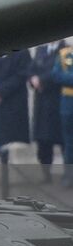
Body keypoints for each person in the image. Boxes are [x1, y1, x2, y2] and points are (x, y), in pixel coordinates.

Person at [0, 49, 32, 164]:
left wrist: (1, 91)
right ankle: (1, 170)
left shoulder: (22, 52)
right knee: (0, 140)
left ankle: (11, 170)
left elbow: (22, 75)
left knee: (13, 139)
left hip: (15, 104)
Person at [31, 41, 67, 183]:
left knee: (63, 141)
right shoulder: (41, 49)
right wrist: (33, 78)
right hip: (41, 103)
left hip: (57, 101)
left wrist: (41, 80)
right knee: (43, 142)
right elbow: (32, 68)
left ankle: (68, 175)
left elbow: (60, 72)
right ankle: (46, 174)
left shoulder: (65, 49)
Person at [50, 44, 73, 188]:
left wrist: (68, 78)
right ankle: (69, 176)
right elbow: (56, 75)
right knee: (69, 144)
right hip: (68, 106)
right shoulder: (64, 54)